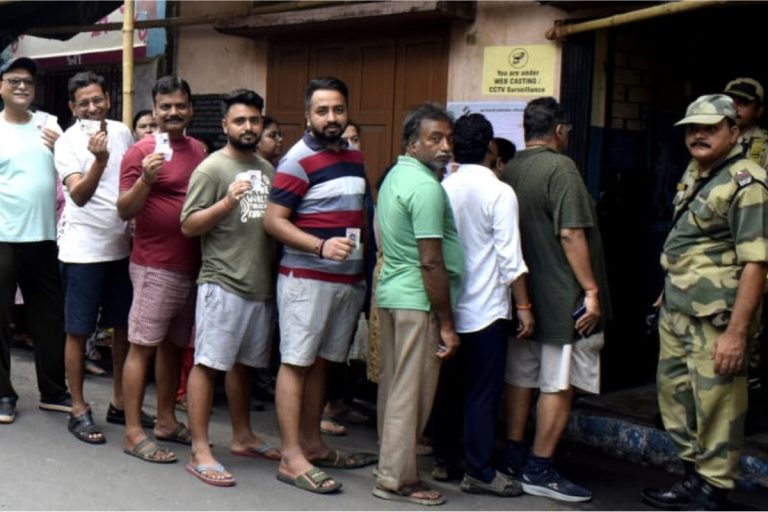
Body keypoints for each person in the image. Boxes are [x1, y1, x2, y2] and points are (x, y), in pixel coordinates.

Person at [640, 94, 768, 511]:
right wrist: (665, 293)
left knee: (718, 405)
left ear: (734, 130)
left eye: (710, 128)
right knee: (676, 399)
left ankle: (714, 487)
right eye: (692, 128)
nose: (698, 135)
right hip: (678, 310)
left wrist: (737, 333)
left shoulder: (748, 182)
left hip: (717, 318)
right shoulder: (698, 171)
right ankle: (693, 477)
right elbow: (689, 242)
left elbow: (756, 264)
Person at [265, 76, 375, 495]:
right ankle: (292, 457)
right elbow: (273, 221)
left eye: (338, 110)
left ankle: (313, 444)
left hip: (346, 281)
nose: (332, 118)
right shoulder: (295, 160)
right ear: (308, 115)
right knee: (296, 362)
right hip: (306, 280)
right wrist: (318, 244)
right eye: (323, 111)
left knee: (323, 363)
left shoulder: (354, 156)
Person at [501, 96, 610, 503]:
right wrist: (592, 290)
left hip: (522, 300)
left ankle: (513, 456)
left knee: (520, 379)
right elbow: (571, 233)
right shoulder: (561, 168)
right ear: (560, 130)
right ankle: (540, 467)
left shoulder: (510, 170)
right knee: (558, 385)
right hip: (562, 298)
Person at [180, 89, 281, 487]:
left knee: (244, 365)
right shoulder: (212, 169)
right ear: (225, 126)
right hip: (222, 282)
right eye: (240, 121)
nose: (249, 127)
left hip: (258, 285)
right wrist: (225, 203)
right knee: (209, 363)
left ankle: (243, 437)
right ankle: (200, 449)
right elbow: (188, 225)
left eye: (255, 120)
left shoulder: (267, 169)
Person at [373, 102, 464, 506]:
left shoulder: (396, 175)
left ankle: (390, 467)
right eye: (435, 139)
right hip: (417, 300)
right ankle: (397, 479)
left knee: (396, 388)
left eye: (448, 138)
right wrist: (446, 323)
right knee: (412, 393)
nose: (445, 147)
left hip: (394, 293)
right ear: (413, 144)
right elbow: (431, 259)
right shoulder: (427, 187)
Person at [442, 113, 533, 497]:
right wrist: (524, 306)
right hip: (486, 310)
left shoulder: (444, 186)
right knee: (482, 392)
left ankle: (448, 460)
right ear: (490, 149)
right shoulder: (500, 191)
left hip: (449, 306)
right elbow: (510, 258)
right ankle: (479, 470)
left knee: (450, 387)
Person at [117, 76, 206, 463]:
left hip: (191, 265)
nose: (173, 112)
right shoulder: (140, 152)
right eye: (165, 106)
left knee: (173, 348)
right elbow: (124, 209)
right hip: (155, 266)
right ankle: (134, 432)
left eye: (180, 106)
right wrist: (147, 181)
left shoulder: (200, 149)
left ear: (190, 109)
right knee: (142, 347)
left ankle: (167, 421)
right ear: (154, 110)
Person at [54, 71, 138, 444]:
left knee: (123, 329)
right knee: (78, 330)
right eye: (83, 102)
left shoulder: (122, 131)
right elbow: (79, 195)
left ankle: (120, 403)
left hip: (121, 246)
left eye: (97, 99)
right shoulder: (67, 143)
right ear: (72, 107)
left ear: (108, 99)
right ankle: (78, 408)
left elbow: (132, 181)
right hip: (83, 251)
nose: (92, 107)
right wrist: (99, 161)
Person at [0, 57, 71, 425]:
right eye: (14, 80)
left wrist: (63, 147)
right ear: (1, 87)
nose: (22, 86)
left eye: (28, 81)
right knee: (1, 318)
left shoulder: (49, 124)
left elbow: (74, 167)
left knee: (48, 316)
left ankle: (53, 391)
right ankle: (2, 394)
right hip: (2, 238)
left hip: (43, 236)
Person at [723, 78, 768, 169]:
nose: (734, 108)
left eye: (743, 103)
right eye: (730, 102)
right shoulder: (712, 138)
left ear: (758, 110)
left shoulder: (764, 145)